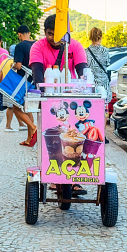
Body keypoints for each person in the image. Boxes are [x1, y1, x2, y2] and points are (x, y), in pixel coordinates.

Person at [29, 14, 88, 196]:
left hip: (70, 100)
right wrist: (43, 95)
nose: (54, 39)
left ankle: (75, 179)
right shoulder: (38, 47)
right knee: (52, 139)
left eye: (58, 34)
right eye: (49, 34)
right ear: (44, 32)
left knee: (74, 138)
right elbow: (37, 74)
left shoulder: (75, 46)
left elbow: (82, 73)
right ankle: (53, 177)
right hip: (48, 100)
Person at [12, 25, 37, 146]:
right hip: (35, 81)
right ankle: (29, 139)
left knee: (16, 108)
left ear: (19, 34)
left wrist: (13, 65)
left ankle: (33, 127)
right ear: (29, 33)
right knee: (28, 109)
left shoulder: (20, 46)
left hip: (23, 81)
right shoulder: (37, 44)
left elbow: (18, 65)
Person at [86, 27, 111, 144]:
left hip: (92, 84)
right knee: (104, 109)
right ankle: (102, 134)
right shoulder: (105, 51)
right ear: (100, 37)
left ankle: (91, 132)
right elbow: (107, 64)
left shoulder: (86, 52)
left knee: (92, 109)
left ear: (90, 37)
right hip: (104, 84)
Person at [0, 44, 27, 132]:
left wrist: (1, 86)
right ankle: (8, 126)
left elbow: (0, 75)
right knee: (12, 107)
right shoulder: (16, 62)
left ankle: (21, 124)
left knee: (14, 106)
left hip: (6, 86)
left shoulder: (4, 61)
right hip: (14, 87)